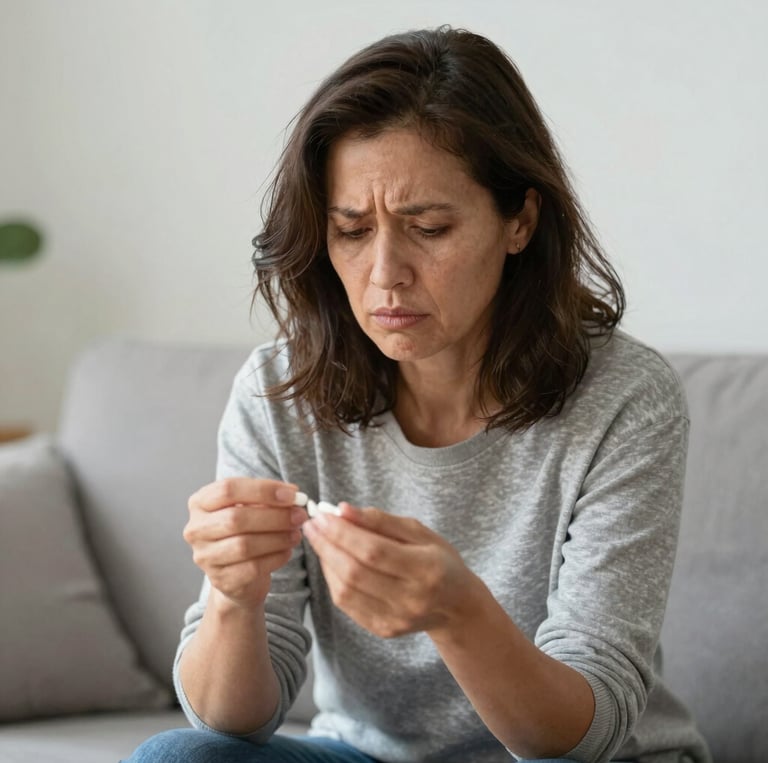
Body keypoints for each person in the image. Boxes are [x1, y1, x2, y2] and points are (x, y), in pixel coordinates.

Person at [125, 26, 711, 763]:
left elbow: (581, 734)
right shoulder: (281, 391)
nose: (385, 273)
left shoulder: (625, 397)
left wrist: (457, 611)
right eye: (351, 231)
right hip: (369, 757)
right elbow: (233, 722)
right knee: (179, 758)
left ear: (520, 221)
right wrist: (234, 598)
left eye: (428, 227)